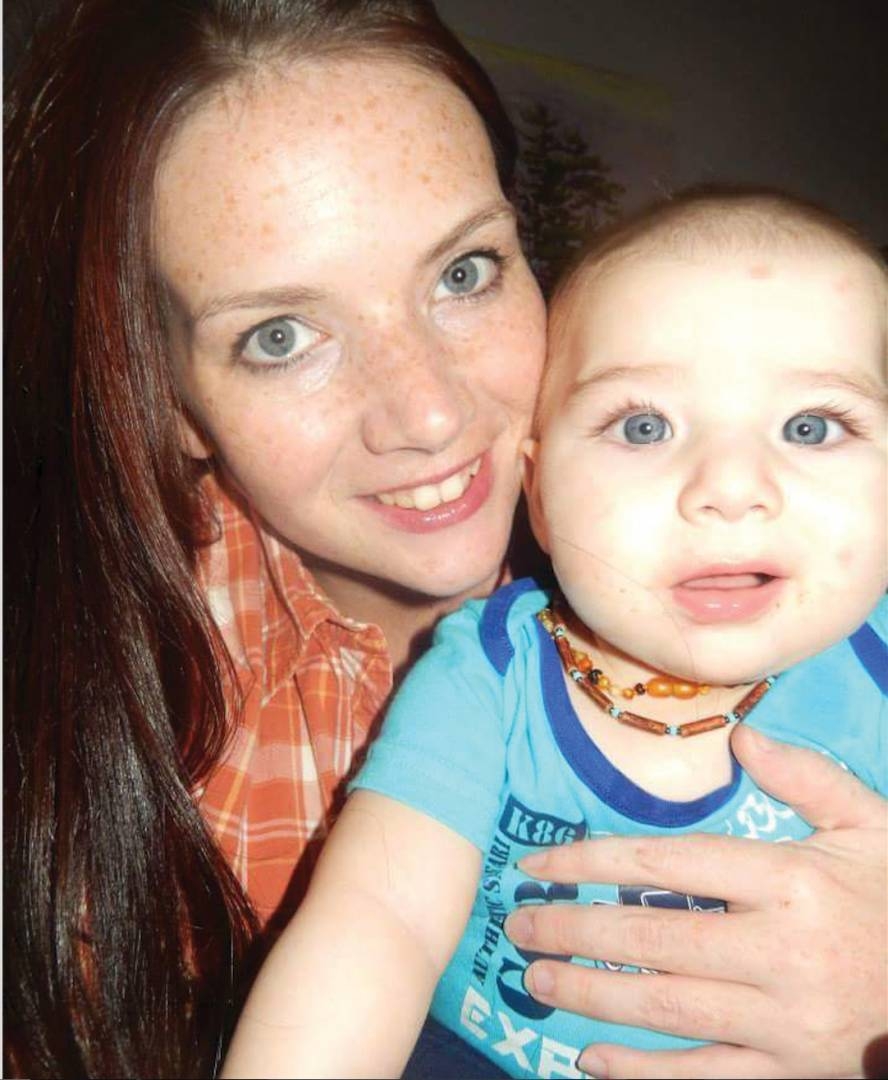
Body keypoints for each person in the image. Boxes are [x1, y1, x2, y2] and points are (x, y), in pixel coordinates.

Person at [4, 0, 885, 1073]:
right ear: (168, 399)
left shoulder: (797, 557)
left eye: (464, 273)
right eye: (281, 336)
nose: (426, 414)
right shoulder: (69, 721)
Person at [220, 189, 888, 1080]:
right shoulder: (488, 669)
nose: (731, 489)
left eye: (811, 427)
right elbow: (381, 919)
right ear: (537, 489)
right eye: (644, 426)